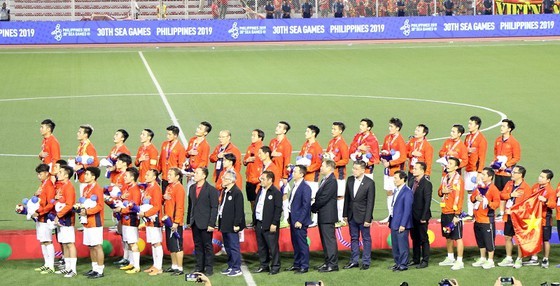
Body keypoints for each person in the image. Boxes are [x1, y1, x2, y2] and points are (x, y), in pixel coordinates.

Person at [496, 165, 531, 269]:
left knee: (520, 239)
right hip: (509, 216)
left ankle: (519, 259)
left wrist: (513, 211)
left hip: (520, 218)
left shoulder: (526, 188)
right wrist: (511, 195)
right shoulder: (509, 183)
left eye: (515, 172)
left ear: (520, 175)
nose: (512, 173)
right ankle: (508, 258)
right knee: (507, 236)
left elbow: (527, 206)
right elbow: (502, 195)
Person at [343, 160, 375, 270]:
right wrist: (345, 214)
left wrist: (368, 219)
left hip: (363, 216)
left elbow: (370, 202)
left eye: (356, 169)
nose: (354, 171)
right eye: (353, 168)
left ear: (362, 170)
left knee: (366, 239)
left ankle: (366, 261)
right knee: (354, 238)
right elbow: (347, 198)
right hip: (351, 215)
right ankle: (354, 260)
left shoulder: (369, 183)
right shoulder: (350, 180)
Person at [188, 167, 219, 276]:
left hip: (206, 223)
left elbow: (214, 208)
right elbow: (190, 205)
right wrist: (189, 220)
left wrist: (212, 223)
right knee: (198, 246)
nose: (194, 174)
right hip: (195, 222)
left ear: (204, 176)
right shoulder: (192, 188)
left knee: (207, 246)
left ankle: (209, 268)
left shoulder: (211, 190)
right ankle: (199, 267)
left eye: (197, 173)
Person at [437, 157, 465, 271]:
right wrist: (442, 191)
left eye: (450, 163)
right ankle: (450, 257)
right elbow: (439, 192)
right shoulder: (444, 178)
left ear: (456, 167)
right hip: (445, 211)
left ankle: (459, 261)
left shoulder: (459, 180)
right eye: (448, 163)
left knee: (457, 237)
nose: (447, 165)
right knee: (447, 235)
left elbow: (460, 198)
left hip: (454, 213)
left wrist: (457, 215)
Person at [253, 171, 283, 275]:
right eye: (260, 179)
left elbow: (278, 209)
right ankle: (264, 265)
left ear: (270, 180)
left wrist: (274, 223)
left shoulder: (276, 192)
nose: (261, 181)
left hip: (270, 224)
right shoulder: (260, 191)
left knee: (272, 246)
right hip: (259, 223)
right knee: (261, 246)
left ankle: (275, 266)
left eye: (263, 179)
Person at [470, 167, 501, 270]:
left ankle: (490, 260)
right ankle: (483, 258)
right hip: (477, 219)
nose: (481, 176)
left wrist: (488, 203)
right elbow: (472, 198)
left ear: (490, 177)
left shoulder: (493, 189)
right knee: (480, 240)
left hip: (487, 220)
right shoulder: (479, 187)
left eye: (483, 174)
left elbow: (497, 204)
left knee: (489, 241)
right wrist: (475, 198)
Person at [218, 170, 246, 277]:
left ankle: (236, 268)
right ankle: (230, 265)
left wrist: (236, 224)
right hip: (225, 223)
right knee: (228, 246)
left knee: (233, 246)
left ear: (231, 180)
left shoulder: (237, 192)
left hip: (232, 224)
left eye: (225, 178)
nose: (222, 180)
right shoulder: (225, 191)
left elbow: (239, 210)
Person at [312, 160, 339, 272]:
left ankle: (332, 264)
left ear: (329, 167)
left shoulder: (331, 181)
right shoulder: (326, 179)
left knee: (329, 241)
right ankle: (328, 262)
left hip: (327, 216)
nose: (320, 167)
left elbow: (324, 198)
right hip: (323, 215)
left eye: (322, 165)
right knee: (325, 240)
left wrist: (313, 207)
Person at [493, 119, 521, 221]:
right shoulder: (497, 140)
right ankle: (500, 213)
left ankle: (505, 213)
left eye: (504, 126)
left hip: (507, 173)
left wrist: (507, 165)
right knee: (498, 192)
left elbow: (516, 157)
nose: (501, 128)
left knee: (506, 192)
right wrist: (494, 162)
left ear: (509, 129)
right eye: (501, 126)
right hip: (498, 171)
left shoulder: (514, 142)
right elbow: (496, 154)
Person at [527, 169, 556, 268]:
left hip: (545, 218)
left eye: (542, 177)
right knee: (534, 237)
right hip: (534, 218)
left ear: (548, 180)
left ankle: (545, 259)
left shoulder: (551, 191)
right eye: (540, 176)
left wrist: (545, 200)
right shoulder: (535, 186)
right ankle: (534, 257)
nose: (539, 178)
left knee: (545, 240)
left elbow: (553, 205)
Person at [380, 118, 407, 224]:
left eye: (392, 126)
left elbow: (403, 157)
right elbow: (384, 150)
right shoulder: (387, 138)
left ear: (397, 128)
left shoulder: (400, 141)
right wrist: (383, 156)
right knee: (388, 192)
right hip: (387, 170)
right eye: (389, 126)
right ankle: (390, 214)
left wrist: (390, 163)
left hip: (396, 171)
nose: (389, 128)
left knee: (396, 193)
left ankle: (397, 215)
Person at [286, 165, 312, 274]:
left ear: (301, 174)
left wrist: (300, 220)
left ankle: (304, 266)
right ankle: (297, 264)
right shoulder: (295, 185)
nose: (293, 173)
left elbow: (306, 206)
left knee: (301, 243)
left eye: (295, 171)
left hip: (299, 221)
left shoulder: (305, 187)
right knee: (295, 243)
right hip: (293, 218)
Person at [116, 167, 142, 274]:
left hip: (131, 219)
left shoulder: (135, 190)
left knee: (132, 243)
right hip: (125, 219)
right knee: (128, 242)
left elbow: (134, 206)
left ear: (132, 177)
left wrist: (121, 209)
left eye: (126, 176)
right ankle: (131, 263)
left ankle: (136, 266)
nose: (124, 177)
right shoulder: (128, 188)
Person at [80, 167, 105, 279]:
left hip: (95, 221)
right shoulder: (86, 188)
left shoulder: (98, 189)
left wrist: (87, 211)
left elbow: (100, 206)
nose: (85, 176)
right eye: (85, 174)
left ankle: (100, 270)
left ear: (94, 176)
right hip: (87, 221)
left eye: (88, 174)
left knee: (97, 246)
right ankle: (94, 268)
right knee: (91, 246)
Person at [32, 164, 56, 274]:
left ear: (47, 173)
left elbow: (50, 204)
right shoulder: (43, 184)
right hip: (40, 216)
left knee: (47, 241)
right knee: (42, 241)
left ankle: (51, 265)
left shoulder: (49, 186)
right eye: (38, 174)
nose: (38, 176)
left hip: (46, 217)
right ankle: (46, 264)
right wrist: (35, 195)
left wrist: (40, 212)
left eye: (40, 174)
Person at [139, 169, 164, 276]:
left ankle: (159, 267)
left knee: (157, 243)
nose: (145, 176)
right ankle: (155, 265)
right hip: (149, 220)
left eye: (148, 174)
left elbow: (157, 206)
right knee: (153, 243)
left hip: (154, 219)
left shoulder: (156, 188)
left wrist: (145, 214)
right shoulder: (148, 187)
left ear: (154, 177)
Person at [53, 166, 77, 278]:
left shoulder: (69, 187)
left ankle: (73, 269)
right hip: (61, 219)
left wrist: (58, 215)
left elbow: (69, 205)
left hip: (67, 219)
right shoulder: (63, 187)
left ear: (66, 175)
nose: (58, 173)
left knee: (70, 244)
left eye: (61, 172)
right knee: (65, 244)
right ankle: (67, 268)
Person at [408, 162, 432, 269]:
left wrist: (424, 216)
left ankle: (425, 260)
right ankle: (416, 259)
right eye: (413, 168)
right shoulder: (412, 181)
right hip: (412, 215)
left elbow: (427, 202)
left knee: (423, 238)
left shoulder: (427, 184)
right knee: (414, 237)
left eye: (416, 168)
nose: (414, 170)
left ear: (422, 171)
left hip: (422, 215)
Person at [325, 122, 349, 227]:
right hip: (330, 174)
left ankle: (341, 219)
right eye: (332, 128)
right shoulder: (331, 142)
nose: (332, 131)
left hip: (339, 174)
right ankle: (334, 218)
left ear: (340, 131)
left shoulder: (342, 144)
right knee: (332, 196)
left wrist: (334, 164)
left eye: (334, 129)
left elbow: (346, 160)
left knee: (339, 196)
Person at [388, 171, 413, 272]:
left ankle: (403, 264)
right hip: (394, 222)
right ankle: (397, 263)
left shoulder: (407, 192)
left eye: (395, 178)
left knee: (402, 245)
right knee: (395, 245)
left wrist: (403, 224)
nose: (394, 180)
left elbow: (407, 210)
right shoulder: (397, 190)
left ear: (402, 179)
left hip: (402, 223)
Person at [163, 168, 186, 275]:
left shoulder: (179, 188)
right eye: (168, 174)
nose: (168, 176)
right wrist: (164, 198)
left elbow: (180, 207)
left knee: (177, 246)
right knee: (171, 245)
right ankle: (174, 265)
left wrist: (176, 222)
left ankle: (180, 268)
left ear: (177, 177)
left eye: (170, 174)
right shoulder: (169, 187)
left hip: (175, 222)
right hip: (168, 220)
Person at [269, 121, 292, 228]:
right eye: (277, 126)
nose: (277, 128)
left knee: (283, 195)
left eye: (279, 127)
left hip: (280, 176)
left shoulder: (286, 144)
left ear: (284, 131)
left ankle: (286, 218)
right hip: (271, 174)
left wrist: (285, 176)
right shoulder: (272, 142)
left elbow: (287, 161)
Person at [464, 116, 487, 220]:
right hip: (467, 168)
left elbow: (482, 156)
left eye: (471, 124)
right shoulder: (468, 137)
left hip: (475, 169)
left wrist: (479, 172)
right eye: (468, 123)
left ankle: (474, 213)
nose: (468, 125)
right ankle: (470, 213)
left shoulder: (481, 139)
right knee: (469, 190)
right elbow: (464, 149)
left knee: (474, 191)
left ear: (477, 126)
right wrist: (466, 150)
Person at [299, 125, 323, 227]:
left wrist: (307, 169)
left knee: (313, 198)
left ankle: (315, 219)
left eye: (307, 131)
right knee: (304, 198)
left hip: (312, 177)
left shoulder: (317, 147)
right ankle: (306, 217)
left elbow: (318, 164)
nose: (305, 133)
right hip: (304, 176)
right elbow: (301, 155)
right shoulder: (305, 145)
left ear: (313, 134)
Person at [73, 124, 100, 196]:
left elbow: (96, 163)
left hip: (87, 181)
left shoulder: (89, 147)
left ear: (85, 135)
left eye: (79, 132)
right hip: (82, 179)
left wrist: (82, 166)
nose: (77, 133)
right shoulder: (81, 146)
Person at [185, 122, 212, 189]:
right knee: (189, 191)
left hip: (197, 174)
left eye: (200, 129)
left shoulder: (205, 145)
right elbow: (186, 154)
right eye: (198, 127)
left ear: (205, 133)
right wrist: (189, 152)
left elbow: (203, 162)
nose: (197, 129)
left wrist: (195, 172)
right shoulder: (192, 140)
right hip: (189, 171)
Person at [159, 125, 186, 191]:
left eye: (169, 134)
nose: (167, 136)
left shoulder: (180, 148)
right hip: (165, 177)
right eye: (167, 134)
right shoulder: (164, 144)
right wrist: (157, 172)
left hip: (174, 179)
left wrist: (177, 178)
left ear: (175, 135)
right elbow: (161, 160)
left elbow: (181, 165)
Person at [244, 129, 264, 217]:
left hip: (257, 180)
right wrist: (247, 160)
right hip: (249, 179)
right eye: (252, 135)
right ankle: (254, 219)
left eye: (254, 135)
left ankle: (259, 220)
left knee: (258, 201)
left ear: (260, 138)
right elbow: (244, 161)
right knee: (252, 201)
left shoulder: (262, 149)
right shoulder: (250, 147)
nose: (252, 137)